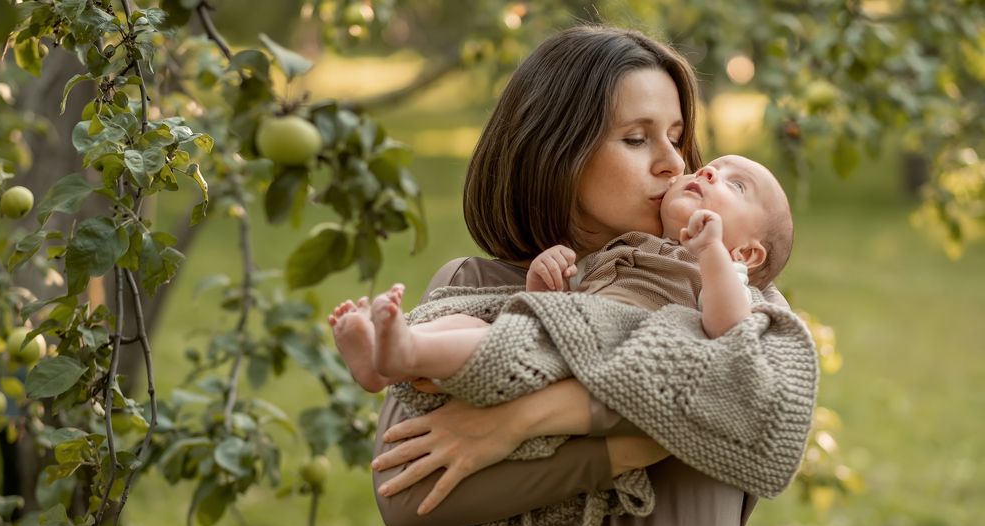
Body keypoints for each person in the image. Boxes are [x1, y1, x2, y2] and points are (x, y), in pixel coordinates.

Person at [333, 25, 815, 526]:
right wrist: (637, 440)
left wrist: (517, 422)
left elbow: (754, 410)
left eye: (676, 137)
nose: (674, 163)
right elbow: (405, 496)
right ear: (556, 150)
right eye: (637, 138)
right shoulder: (479, 290)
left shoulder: (730, 296)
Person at [330, 154, 793, 390]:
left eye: (735, 184)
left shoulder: (729, 276)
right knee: (479, 324)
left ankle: (407, 352)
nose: (709, 173)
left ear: (749, 254)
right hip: (572, 328)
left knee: (504, 342)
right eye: (710, 167)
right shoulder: (631, 243)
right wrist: (545, 283)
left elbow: (726, 325)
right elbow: (581, 295)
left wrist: (712, 254)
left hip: (605, 348)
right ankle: (384, 362)